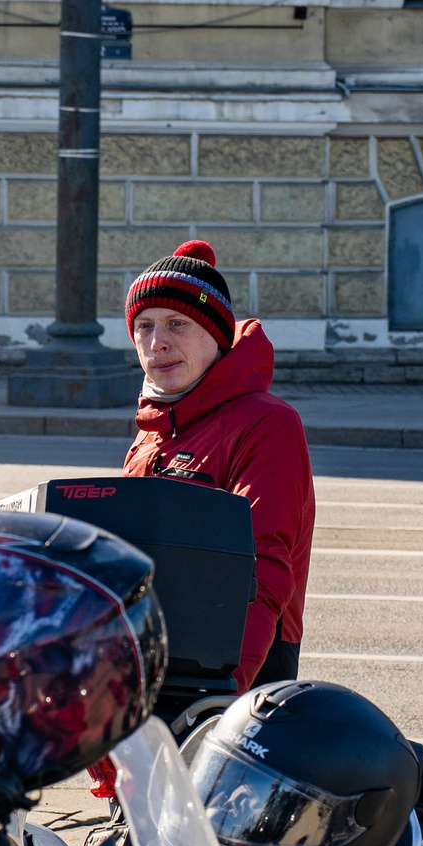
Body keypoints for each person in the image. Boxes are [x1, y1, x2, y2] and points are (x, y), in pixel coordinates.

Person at [120, 239, 315, 687]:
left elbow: (261, 567)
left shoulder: (267, 423)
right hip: (152, 660)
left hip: (229, 670)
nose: (157, 343)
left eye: (176, 324)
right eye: (144, 326)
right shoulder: (153, 429)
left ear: (217, 335)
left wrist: (224, 690)